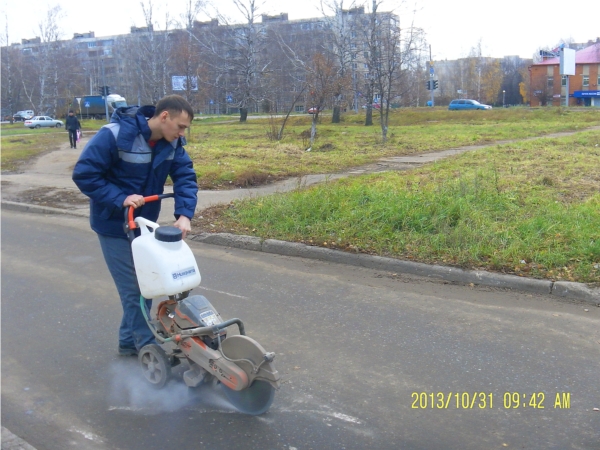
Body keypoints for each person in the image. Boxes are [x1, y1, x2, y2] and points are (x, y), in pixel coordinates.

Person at [72, 95, 198, 356]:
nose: (182, 133)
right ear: (164, 117)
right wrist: (121, 198)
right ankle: (148, 350)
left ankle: (128, 344)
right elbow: (85, 174)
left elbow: (185, 176)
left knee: (147, 285)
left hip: (143, 225)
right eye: (181, 126)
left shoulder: (172, 144)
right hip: (113, 225)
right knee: (135, 291)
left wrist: (184, 214)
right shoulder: (114, 135)